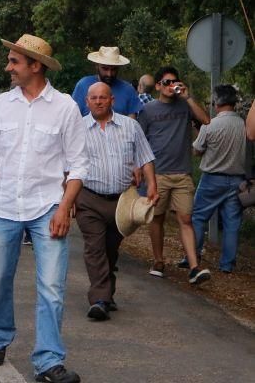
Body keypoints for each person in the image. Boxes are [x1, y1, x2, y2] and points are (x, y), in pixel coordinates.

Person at [0, 34, 87, 383]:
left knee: (52, 286)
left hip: (47, 206)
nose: (7, 68)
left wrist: (64, 208)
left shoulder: (65, 106)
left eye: (14, 62)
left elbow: (78, 165)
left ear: (34, 66)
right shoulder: (1, 106)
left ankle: (48, 361)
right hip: (5, 206)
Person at [78, 82, 157, 321]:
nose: (99, 101)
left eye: (103, 97)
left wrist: (152, 184)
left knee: (110, 249)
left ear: (112, 100)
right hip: (88, 198)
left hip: (122, 201)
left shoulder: (130, 126)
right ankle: (99, 299)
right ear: (87, 102)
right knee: (94, 248)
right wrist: (66, 198)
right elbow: (67, 166)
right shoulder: (78, 129)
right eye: (94, 98)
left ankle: (107, 291)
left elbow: (145, 156)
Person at [137, 66, 211, 284]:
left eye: (174, 82)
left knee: (186, 219)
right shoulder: (149, 110)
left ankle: (194, 266)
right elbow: (140, 141)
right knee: (157, 218)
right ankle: (158, 260)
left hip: (182, 174)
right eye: (166, 82)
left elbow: (206, 121)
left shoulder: (185, 106)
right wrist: (140, 170)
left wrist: (188, 97)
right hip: (158, 174)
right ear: (158, 86)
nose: (171, 86)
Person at [190, 85, 247, 273]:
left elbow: (197, 151)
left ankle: (193, 256)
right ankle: (227, 265)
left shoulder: (210, 125)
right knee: (232, 224)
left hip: (212, 179)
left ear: (216, 102)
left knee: (198, 218)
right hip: (237, 180)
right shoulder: (243, 124)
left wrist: (196, 132)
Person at [71, 46, 143, 118]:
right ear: (97, 66)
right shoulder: (83, 85)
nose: (109, 74)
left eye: (113, 69)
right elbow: (73, 117)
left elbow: (132, 123)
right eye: (105, 69)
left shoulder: (128, 90)